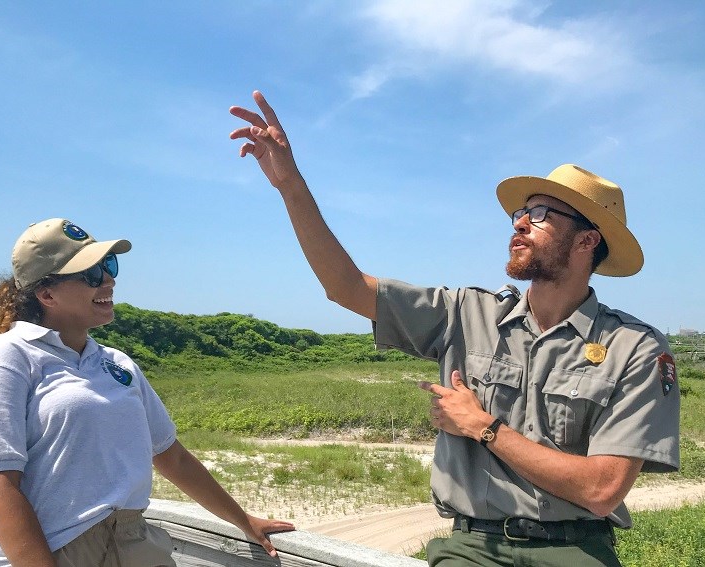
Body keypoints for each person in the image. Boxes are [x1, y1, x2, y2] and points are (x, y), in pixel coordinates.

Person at [229, 91, 679, 567]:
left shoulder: (634, 348)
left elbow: (602, 490)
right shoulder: (466, 313)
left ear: (588, 240)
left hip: (577, 550)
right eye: (518, 214)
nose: (520, 223)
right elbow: (345, 287)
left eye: (541, 214)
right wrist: (289, 185)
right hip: (473, 548)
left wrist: (483, 427)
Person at [0, 218, 294, 567]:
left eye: (108, 265)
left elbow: (172, 456)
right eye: (91, 273)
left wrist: (242, 520)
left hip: (130, 540)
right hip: (49, 549)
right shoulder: (9, 356)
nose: (108, 279)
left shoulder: (116, 364)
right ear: (46, 293)